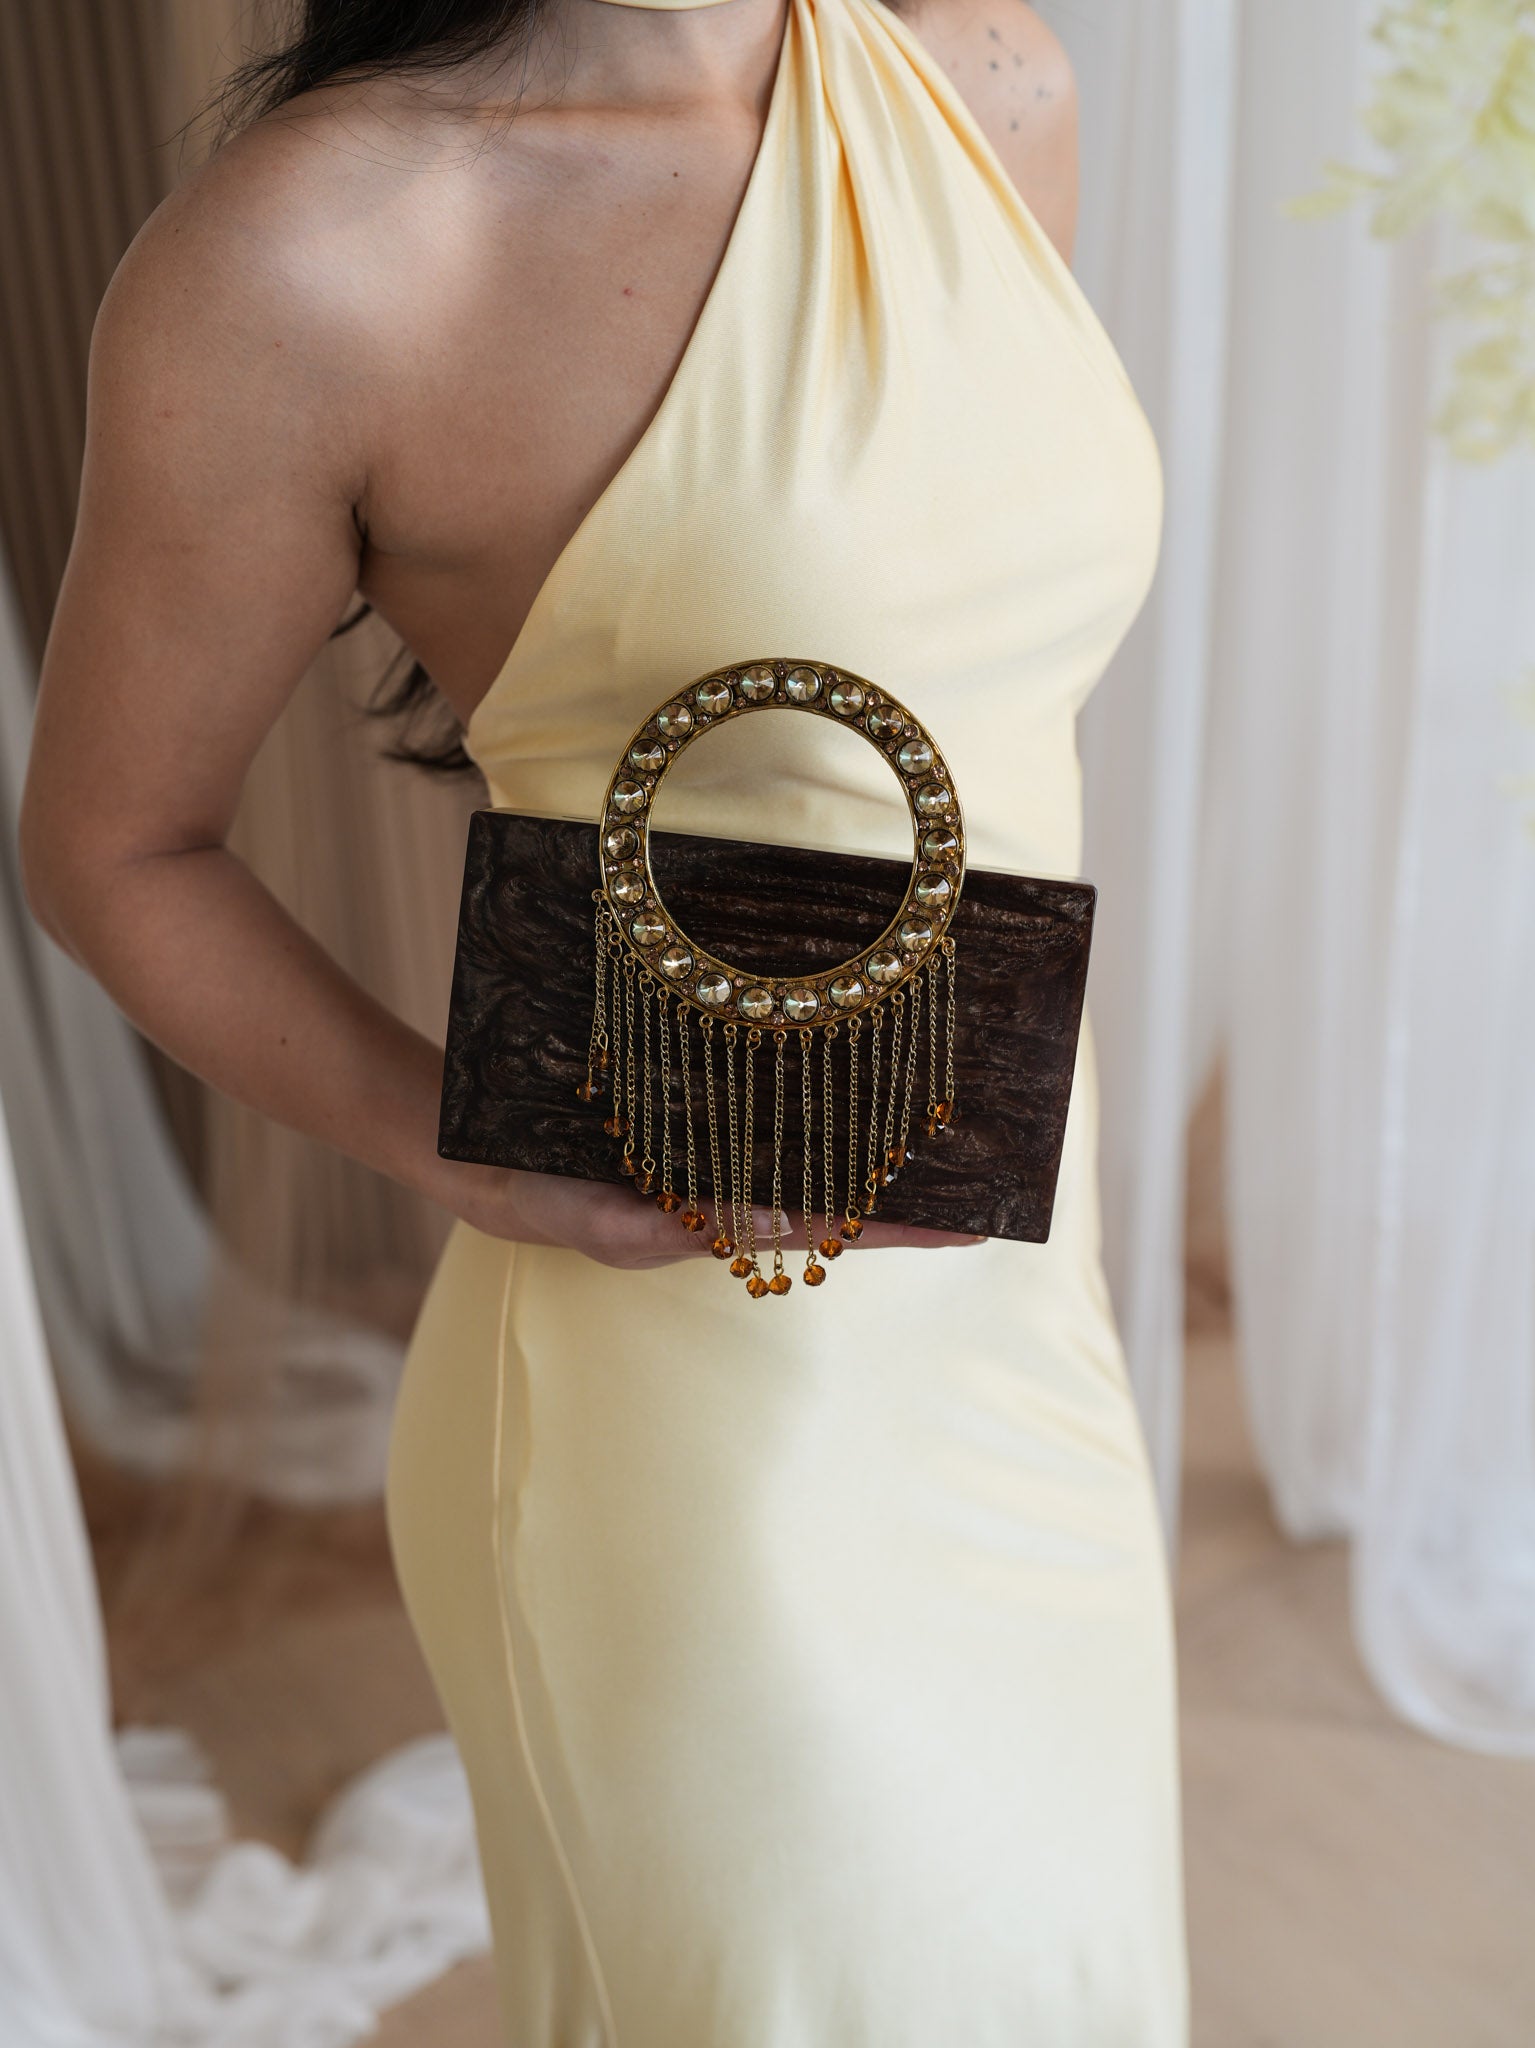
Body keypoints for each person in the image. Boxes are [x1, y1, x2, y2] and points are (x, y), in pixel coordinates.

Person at [20, 0, 1188, 2039]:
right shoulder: (321, 252)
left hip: (1018, 1318)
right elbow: (114, 846)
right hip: (695, 1402)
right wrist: (464, 1147)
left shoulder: (987, 79)